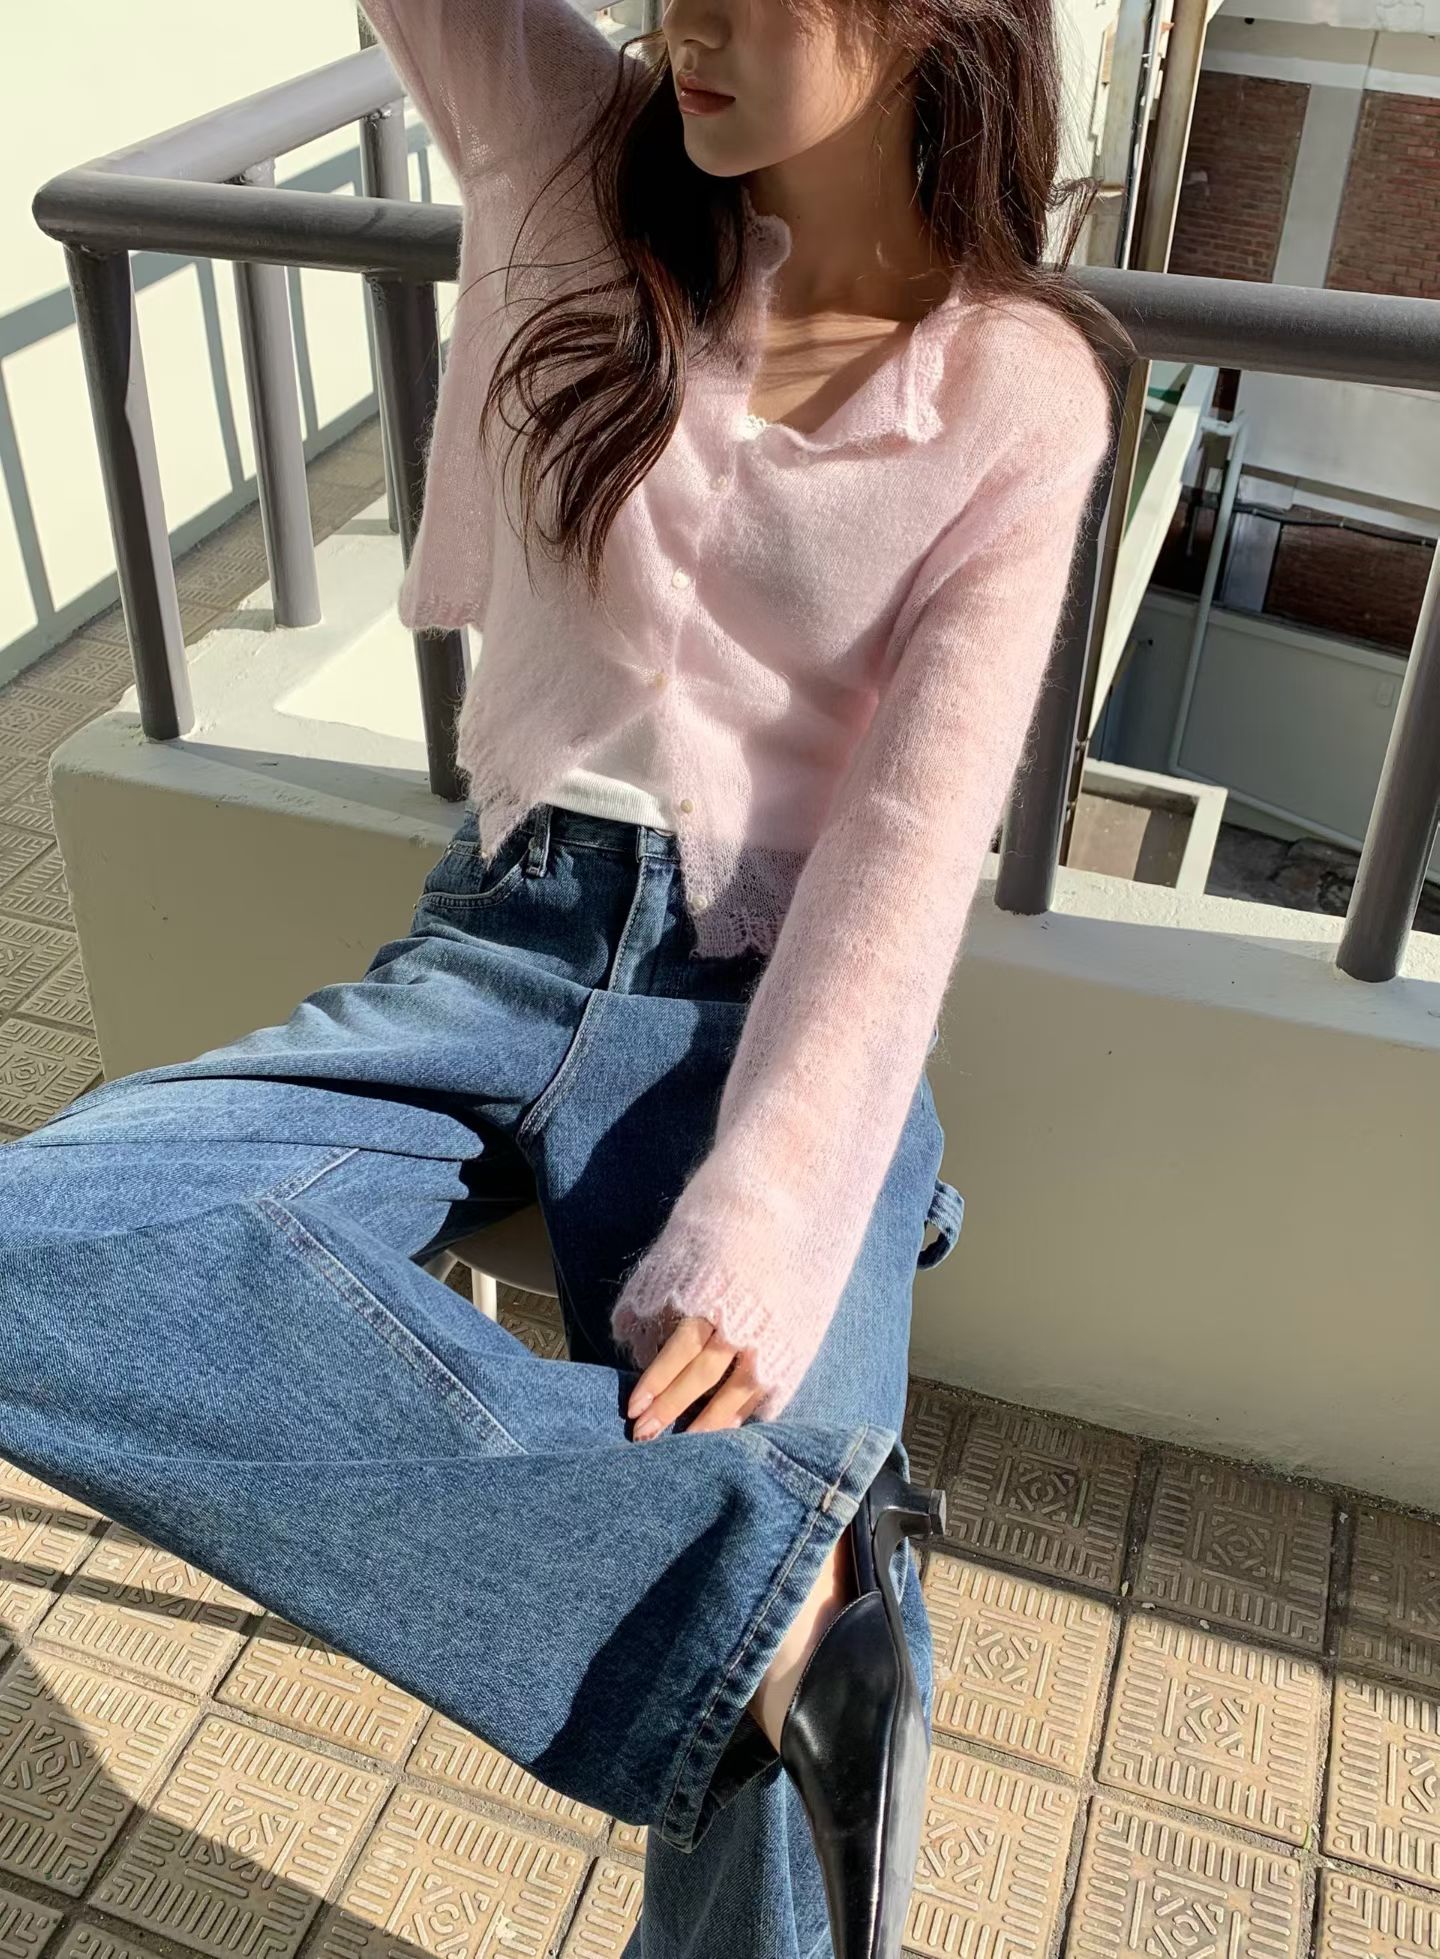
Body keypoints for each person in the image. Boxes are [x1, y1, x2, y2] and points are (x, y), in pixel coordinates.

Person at [0, 0, 1126, 1952]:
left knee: (790, 1697)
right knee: (40, 1242)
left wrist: (769, 1220)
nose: (685, 23)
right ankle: (757, 1595)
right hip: (491, 945)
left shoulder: (1022, 387)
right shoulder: (574, 143)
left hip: (778, 1020)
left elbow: (903, 859)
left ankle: (774, 1598)